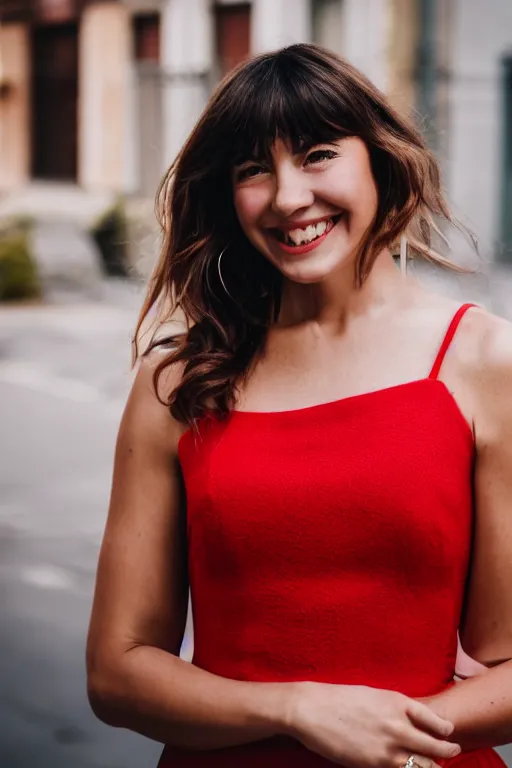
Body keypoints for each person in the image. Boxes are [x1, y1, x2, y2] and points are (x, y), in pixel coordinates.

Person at [86, 44, 512, 768]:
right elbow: (117, 671)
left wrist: (388, 741)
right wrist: (300, 708)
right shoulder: (178, 381)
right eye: (253, 169)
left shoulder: (486, 363)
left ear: (380, 162)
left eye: (318, 154)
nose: (287, 197)